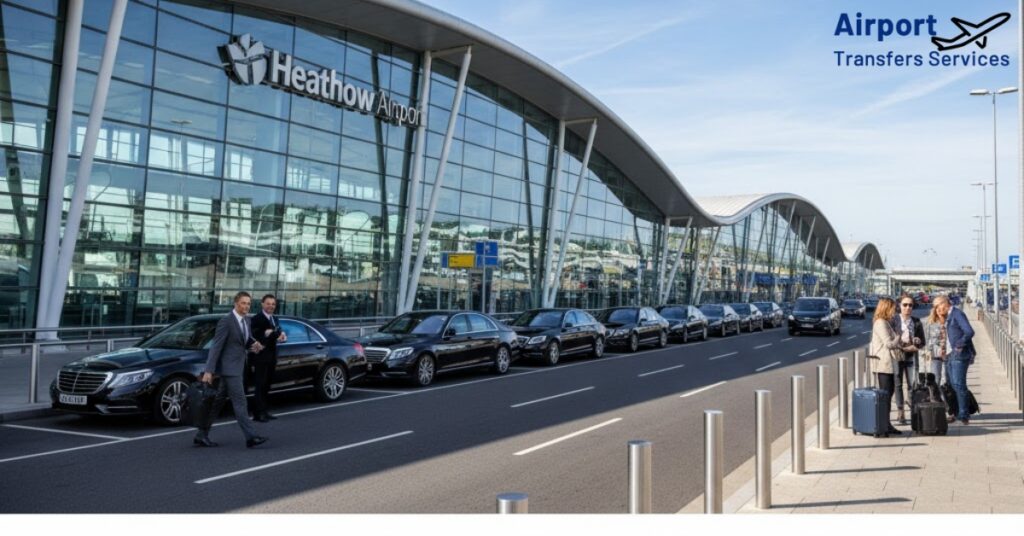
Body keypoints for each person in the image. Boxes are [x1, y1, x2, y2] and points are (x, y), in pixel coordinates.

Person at [194, 291, 269, 448]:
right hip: (229, 369)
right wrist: (209, 370)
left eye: (248, 303)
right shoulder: (226, 321)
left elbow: (245, 340)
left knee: (217, 402)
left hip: (238, 366)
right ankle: (251, 437)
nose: (246, 306)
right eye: (243, 303)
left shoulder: (246, 320)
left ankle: (201, 434)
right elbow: (216, 346)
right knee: (240, 402)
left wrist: (254, 344)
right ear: (236, 304)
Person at [869, 297, 912, 435]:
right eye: (893, 308)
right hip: (883, 363)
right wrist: (899, 335)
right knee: (885, 396)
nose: (895, 310)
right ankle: (882, 426)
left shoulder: (886, 322)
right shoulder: (880, 323)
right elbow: (889, 344)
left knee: (888, 394)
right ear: (886, 308)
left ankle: (887, 424)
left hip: (889, 362)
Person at [935, 295, 976, 424]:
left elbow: (969, 332)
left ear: (945, 303)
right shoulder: (948, 316)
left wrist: (959, 344)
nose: (937, 309)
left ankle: (964, 414)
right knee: (952, 385)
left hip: (959, 355)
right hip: (949, 355)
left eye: (938, 305)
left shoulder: (957, 314)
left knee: (959, 384)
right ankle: (957, 411)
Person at [249, 294, 287, 422]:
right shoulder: (256, 319)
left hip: (272, 356)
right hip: (260, 357)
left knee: (267, 385)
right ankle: (257, 414)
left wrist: (281, 335)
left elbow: (276, 333)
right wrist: (266, 335)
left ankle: (264, 411)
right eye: (268, 303)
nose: (271, 306)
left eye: (273, 304)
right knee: (260, 385)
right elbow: (253, 336)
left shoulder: (274, 318)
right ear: (262, 304)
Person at [891, 295, 925, 425]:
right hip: (897, 355)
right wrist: (901, 347)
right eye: (905, 305)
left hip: (911, 355)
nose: (908, 307)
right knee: (898, 383)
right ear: (899, 306)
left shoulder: (916, 321)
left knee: (912, 384)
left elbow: (922, 341)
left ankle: (913, 409)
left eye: (910, 305)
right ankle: (901, 411)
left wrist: (917, 342)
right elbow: (889, 340)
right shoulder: (894, 320)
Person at [923, 300, 948, 386]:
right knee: (936, 379)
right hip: (935, 355)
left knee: (949, 380)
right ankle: (935, 394)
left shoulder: (950, 321)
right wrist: (928, 352)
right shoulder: (930, 322)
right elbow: (927, 339)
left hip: (949, 354)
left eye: (942, 308)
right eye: (937, 308)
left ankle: (947, 394)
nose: (939, 310)